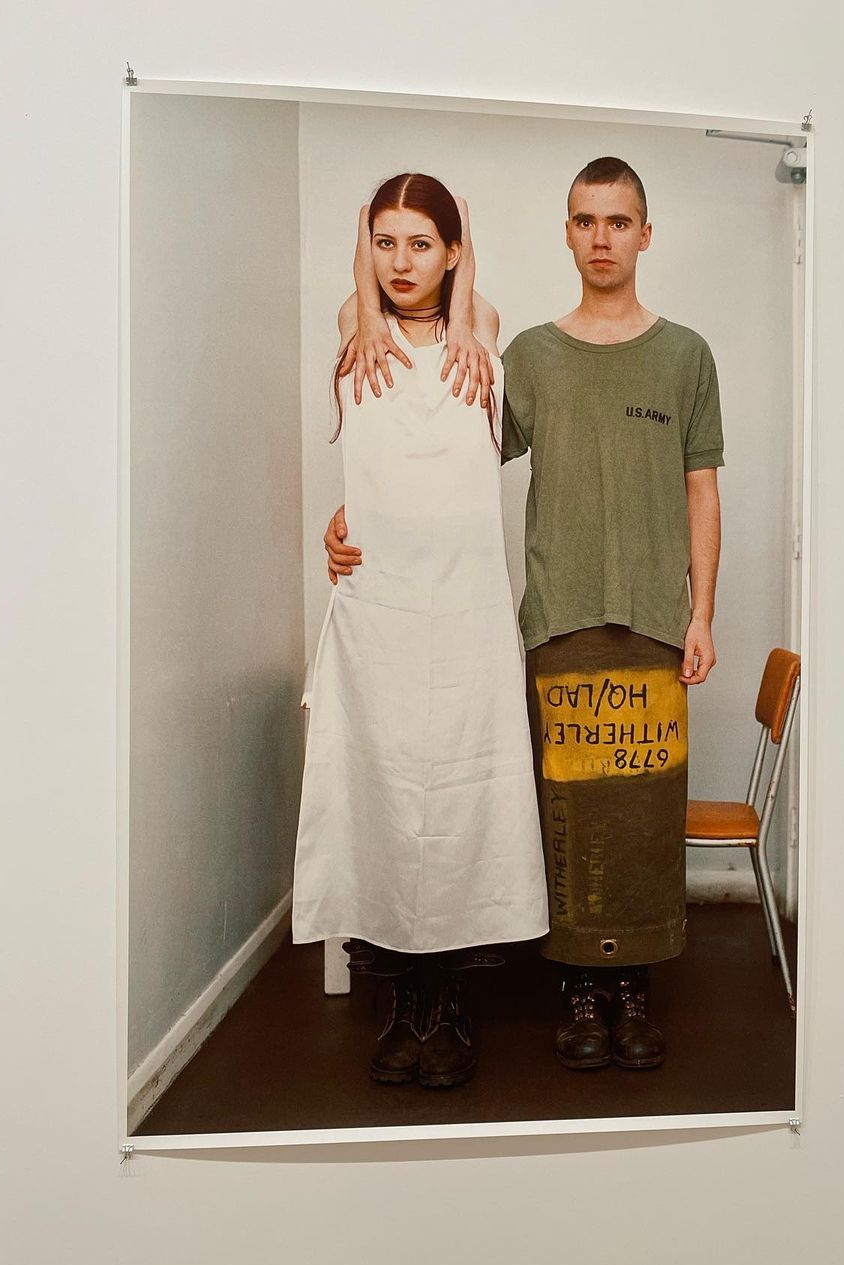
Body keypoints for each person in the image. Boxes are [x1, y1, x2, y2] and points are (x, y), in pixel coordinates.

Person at [327, 156, 724, 1073]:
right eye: (585, 221)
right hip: (553, 616)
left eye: (618, 221)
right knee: (569, 813)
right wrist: (349, 518)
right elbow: (445, 461)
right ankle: (578, 990)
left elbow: (702, 489)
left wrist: (702, 611)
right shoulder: (532, 356)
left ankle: (635, 989)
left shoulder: (686, 355)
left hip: (656, 622)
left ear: (646, 234)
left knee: (644, 810)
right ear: (567, 233)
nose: (601, 238)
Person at [293, 173, 548, 1090]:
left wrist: (467, 252)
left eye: (422, 243)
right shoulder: (353, 325)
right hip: (383, 610)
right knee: (386, 800)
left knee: (462, 800)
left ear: (452, 253)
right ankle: (404, 1002)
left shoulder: (481, 327)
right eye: (385, 242)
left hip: (467, 608)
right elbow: (361, 309)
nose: (402, 262)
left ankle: (450, 1005)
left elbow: (468, 302)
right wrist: (366, 277)